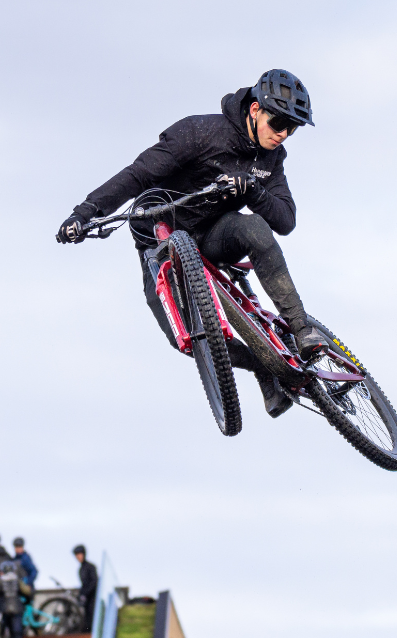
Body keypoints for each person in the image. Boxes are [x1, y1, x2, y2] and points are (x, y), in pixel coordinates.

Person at [56, 69, 327, 419]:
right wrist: (85, 212)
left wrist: (253, 190)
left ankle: (301, 330)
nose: (284, 135)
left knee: (256, 228)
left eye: (293, 129)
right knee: (181, 337)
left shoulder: (271, 158)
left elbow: (285, 221)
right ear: (256, 109)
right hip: (159, 234)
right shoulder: (199, 133)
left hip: (215, 235)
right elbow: (137, 175)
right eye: (279, 124)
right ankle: (261, 365)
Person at [73, 545, 98, 632]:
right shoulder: (81, 569)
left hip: (93, 597)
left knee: (92, 617)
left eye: (79, 554)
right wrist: (81, 594)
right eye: (76, 555)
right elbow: (83, 584)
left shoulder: (91, 567)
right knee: (86, 617)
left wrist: (85, 593)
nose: (78, 557)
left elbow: (94, 582)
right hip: (87, 598)